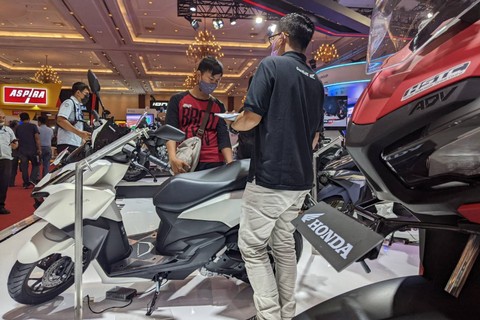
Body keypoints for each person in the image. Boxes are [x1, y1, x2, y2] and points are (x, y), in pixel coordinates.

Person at [228, 13, 324, 320]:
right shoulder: (315, 81)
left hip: (270, 178)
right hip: (300, 181)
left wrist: (235, 124)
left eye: (273, 37)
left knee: (253, 248)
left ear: (282, 38)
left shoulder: (271, 66)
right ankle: (286, 313)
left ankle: (269, 315)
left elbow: (251, 117)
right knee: (283, 246)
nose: (271, 42)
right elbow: (314, 140)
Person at [165, 56, 233, 174]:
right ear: (198, 75)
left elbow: (223, 137)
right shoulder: (178, 100)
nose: (214, 84)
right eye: (211, 79)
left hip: (214, 161)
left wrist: (231, 164)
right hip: (187, 159)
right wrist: (172, 158)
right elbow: (171, 132)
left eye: (217, 81)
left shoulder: (218, 106)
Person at [56, 82, 91, 153]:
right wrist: (79, 133)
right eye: (86, 93)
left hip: (74, 143)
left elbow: (78, 125)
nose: (87, 96)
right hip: (67, 143)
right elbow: (60, 120)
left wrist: (82, 139)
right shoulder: (69, 103)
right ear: (78, 92)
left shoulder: (78, 106)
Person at [15, 113, 41, 188]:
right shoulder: (33, 126)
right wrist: (39, 148)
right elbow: (37, 138)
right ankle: (32, 179)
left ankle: (26, 183)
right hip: (33, 150)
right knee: (36, 165)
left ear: (20, 119)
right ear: (29, 118)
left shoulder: (18, 128)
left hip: (22, 150)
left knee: (24, 167)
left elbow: (17, 139)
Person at [0, 109, 18, 214]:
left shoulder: (8, 130)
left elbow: (14, 142)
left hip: (6, 159)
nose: (1, 119)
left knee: (3, 183)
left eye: (3, 117)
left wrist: (15, 145)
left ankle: (1, 206)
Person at [8, 120, 19, 187]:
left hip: (6, 152)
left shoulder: (6, 131)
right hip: (14, 152)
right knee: (13, 168)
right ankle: (11, 182)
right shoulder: (15, 132)